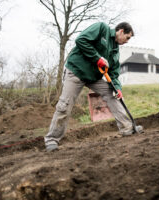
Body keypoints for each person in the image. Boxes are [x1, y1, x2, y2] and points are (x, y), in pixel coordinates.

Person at [44, 22, 143, 152]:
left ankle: (127, 128)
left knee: (113, 94)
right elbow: (81, 40)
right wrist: (97, 58)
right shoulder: (102, 29)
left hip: (93, 78)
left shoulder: (115, 51)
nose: (127, 41)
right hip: (76, 71)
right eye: (128, 37)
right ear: (121, 31)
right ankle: (52, 139)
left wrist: (117, 88)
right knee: (65, 104)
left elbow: (113, 72)